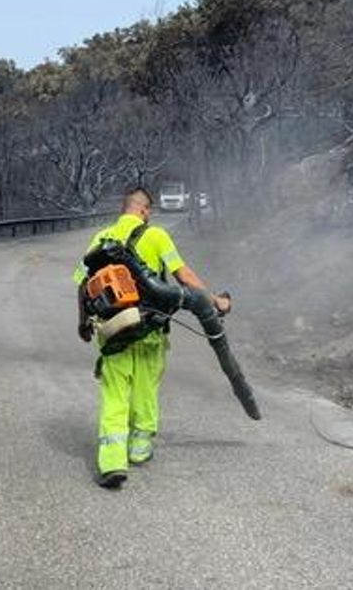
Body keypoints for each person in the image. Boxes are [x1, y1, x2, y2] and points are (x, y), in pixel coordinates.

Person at [72, 187, 232, 489]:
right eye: (149, 210)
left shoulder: (100, 239)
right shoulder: (156, 235)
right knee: (145, 389)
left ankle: (111, 461)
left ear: (124, 209)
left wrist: (82, 323)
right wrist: (215, 301)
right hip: (149, 331)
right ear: (144, 210)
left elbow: (82, 285)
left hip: (111, 332)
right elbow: (184, 277)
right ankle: (139, 447)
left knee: (114, 395)